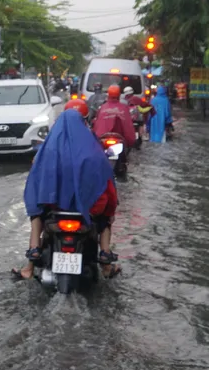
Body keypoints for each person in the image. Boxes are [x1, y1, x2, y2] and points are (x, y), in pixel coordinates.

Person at [14, 103, 121, 280]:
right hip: (89, 208)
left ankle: (30, 263)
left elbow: (34, 182)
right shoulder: (93, 149)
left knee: (37, 215)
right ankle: (106, 258)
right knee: (106, 219)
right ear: (84, 121)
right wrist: (110, 207)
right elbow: (106, 182)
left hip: (54, 204)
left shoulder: (48, 149)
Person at [93, 84, 137, 149]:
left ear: (108, 95)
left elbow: (97, 124)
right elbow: (128, 125)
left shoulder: (103, 107)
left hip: (103, 136)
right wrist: (131, 140)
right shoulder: (124, 108)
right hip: (119, 138)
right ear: (119, 95)